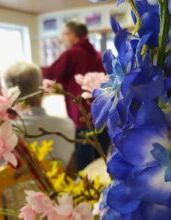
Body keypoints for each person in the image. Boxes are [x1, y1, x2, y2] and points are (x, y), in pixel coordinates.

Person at [42, 21, 109, 172]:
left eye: (64, 34)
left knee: (85, 166)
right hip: (101, 114)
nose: (62, 38)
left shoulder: (71, 54)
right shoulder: (97, 54)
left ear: (72, 35)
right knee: (104, 160)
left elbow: (50, 74)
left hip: (83, 116)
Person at [3, 61, 75, 168]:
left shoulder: (6, 135)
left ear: (8, 92)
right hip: (60, 184)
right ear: (41, 87)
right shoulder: (68, 126)